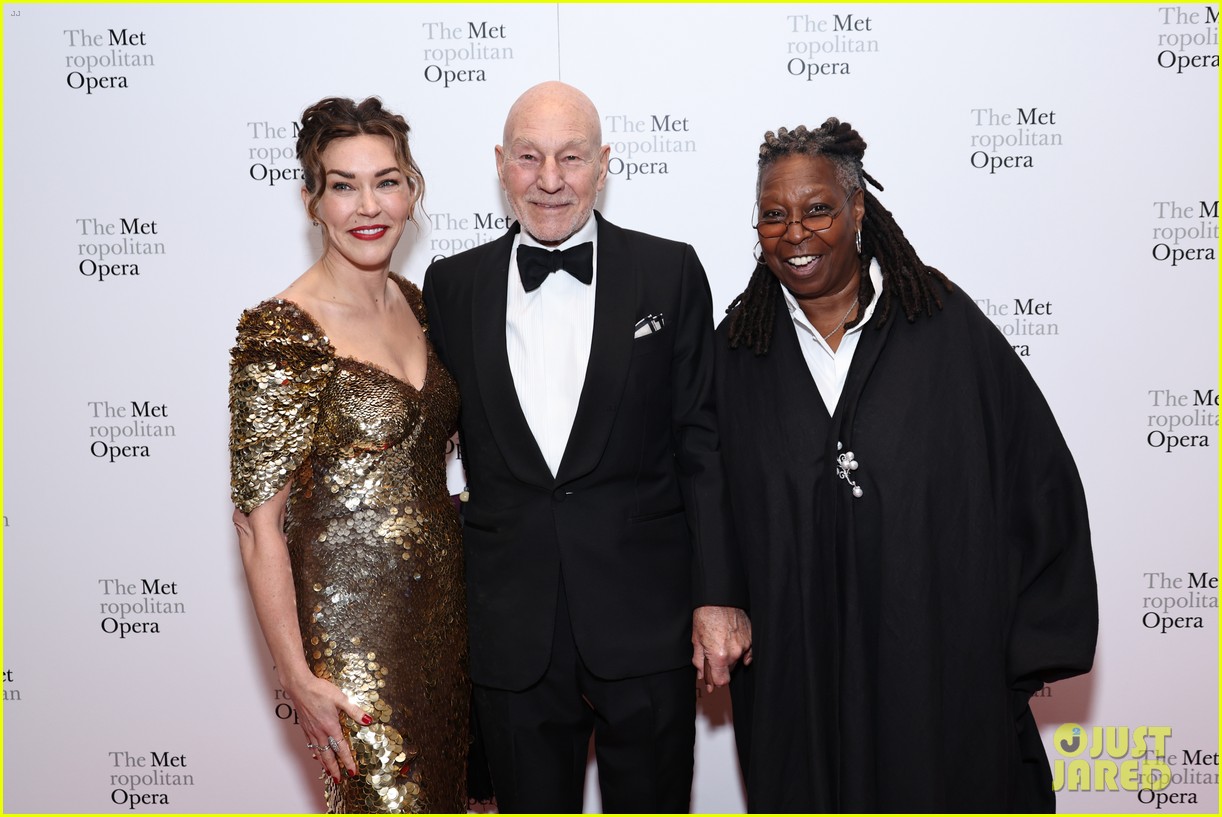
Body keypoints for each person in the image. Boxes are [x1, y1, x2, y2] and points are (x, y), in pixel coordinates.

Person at [716, 120, 1098, 812]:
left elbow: (1039, 477)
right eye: (773, 215)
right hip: (799, 691)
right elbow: (706, 501)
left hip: (936, 675)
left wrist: (1015, 655)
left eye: (817, 209)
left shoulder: (945, 329)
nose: (794, 232)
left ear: (858, 210)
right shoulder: (737, 356)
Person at [422, 81, 750, 813]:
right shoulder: (450, 286)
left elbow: (702, 443)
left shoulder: (669, 271)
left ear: (604, 165)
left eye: (570, 157)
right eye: (529, 157)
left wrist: (719, 594)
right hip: (511, 628)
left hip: (646, 620)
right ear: (500, 164)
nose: (549, 180)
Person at [229, 96, 469, 813]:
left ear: (413, 190)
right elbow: (255, 525)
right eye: (342, 184)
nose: (368, 204)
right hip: (354, 643)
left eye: (386, 180)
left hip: (450, 625)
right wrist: (296, 675)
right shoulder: (285, 330)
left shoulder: (419, 303)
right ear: (312, 201)